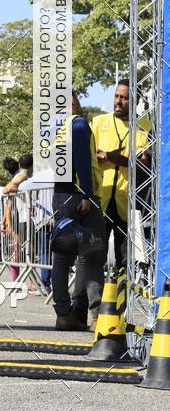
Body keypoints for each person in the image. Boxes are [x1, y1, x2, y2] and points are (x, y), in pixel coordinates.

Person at [51, 91, 106, 331]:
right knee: (93, 253)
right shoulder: (78, 124)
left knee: (62, 258)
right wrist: (86, 194)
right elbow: (83, 160)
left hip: (61, 196)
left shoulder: (53, 130)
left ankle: (64, 314)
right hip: (80, 197)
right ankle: (97, 317)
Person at [91, 79, 150, 269]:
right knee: (94, 256)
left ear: (135, 101)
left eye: (124, 98)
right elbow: (90, 156)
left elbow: (144, 163)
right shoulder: (99, 122)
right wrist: (121, 158)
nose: (118, 101)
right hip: (101, 200)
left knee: (126, 261)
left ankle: (122, 298)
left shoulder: (145, 126)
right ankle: (92, 299)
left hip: (129, 203)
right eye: (117, 96)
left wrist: (109, 156)